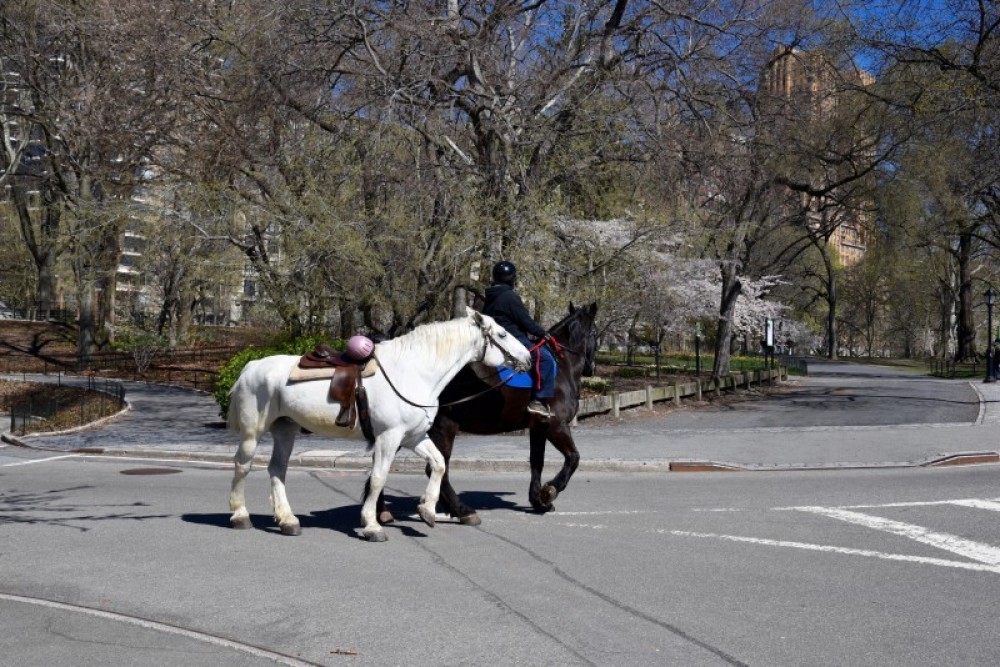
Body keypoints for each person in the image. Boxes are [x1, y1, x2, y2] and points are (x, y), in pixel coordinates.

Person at [482, 260, 556, 418]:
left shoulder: (490, 296)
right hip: (512, 339)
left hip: (494, 340)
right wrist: (543, 333)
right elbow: (525, 321)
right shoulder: (509, 296)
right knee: (545, 360)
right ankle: (538, 401)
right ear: (511, 279)